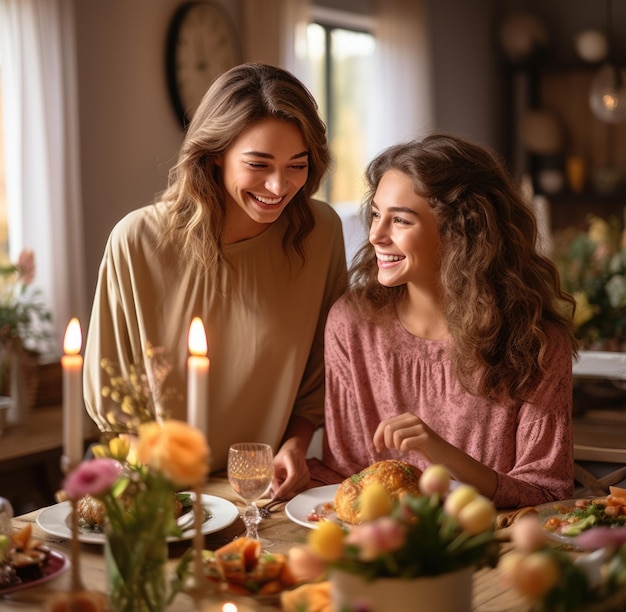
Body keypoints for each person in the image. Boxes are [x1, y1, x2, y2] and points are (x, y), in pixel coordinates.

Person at [83, 63, 347, 498]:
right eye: (258, 164)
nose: (279, 186)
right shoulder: (137, 242)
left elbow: (320, 374)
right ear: (215, 153)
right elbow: (114, 408)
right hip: (156, 492)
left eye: (296, 165)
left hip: (263, 492)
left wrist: (295, 447)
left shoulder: (319, 233)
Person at [318, 133, 578, 508]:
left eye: (401, 221)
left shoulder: (534, 342)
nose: (375, 235)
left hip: (494, 553)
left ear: (462, 233)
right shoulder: (352, 324)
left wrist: (440, 453)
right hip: (376, 548)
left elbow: (548, 494)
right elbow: (343, 473)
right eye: (376, 214)